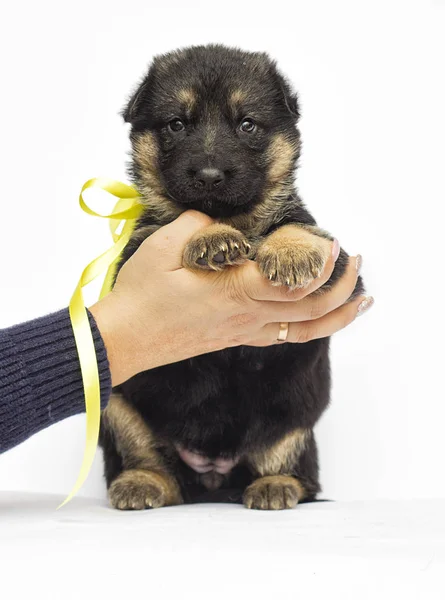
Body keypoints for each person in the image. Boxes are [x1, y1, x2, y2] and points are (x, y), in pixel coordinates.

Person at [0, 211, 373, 453]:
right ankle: (149, 472)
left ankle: (283, 474)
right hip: (163, 435)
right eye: (176, 126)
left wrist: (299, 244)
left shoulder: (287, 221)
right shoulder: (150, 231)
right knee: (117, 411)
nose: (210, 165)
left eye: (248, 126)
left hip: (267, 436)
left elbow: (337, 278)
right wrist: (118, 336)